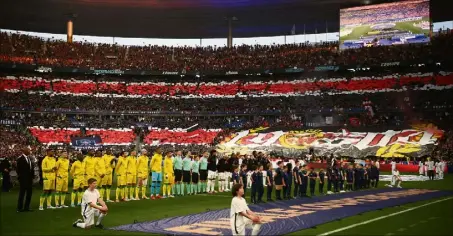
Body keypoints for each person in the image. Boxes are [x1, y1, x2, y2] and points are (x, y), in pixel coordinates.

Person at [16, 147, 35, 212]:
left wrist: (32, 177)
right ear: (24, 151)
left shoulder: (29, 158)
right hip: (23, 180)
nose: (30, 151)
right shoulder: (20, 159)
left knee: (29, 194)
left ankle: (27, 207)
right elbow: (18, 170)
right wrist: (21, 178)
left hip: (29, 179)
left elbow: (31, 168)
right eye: (29, 150)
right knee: (22, 194)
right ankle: (19, 208)